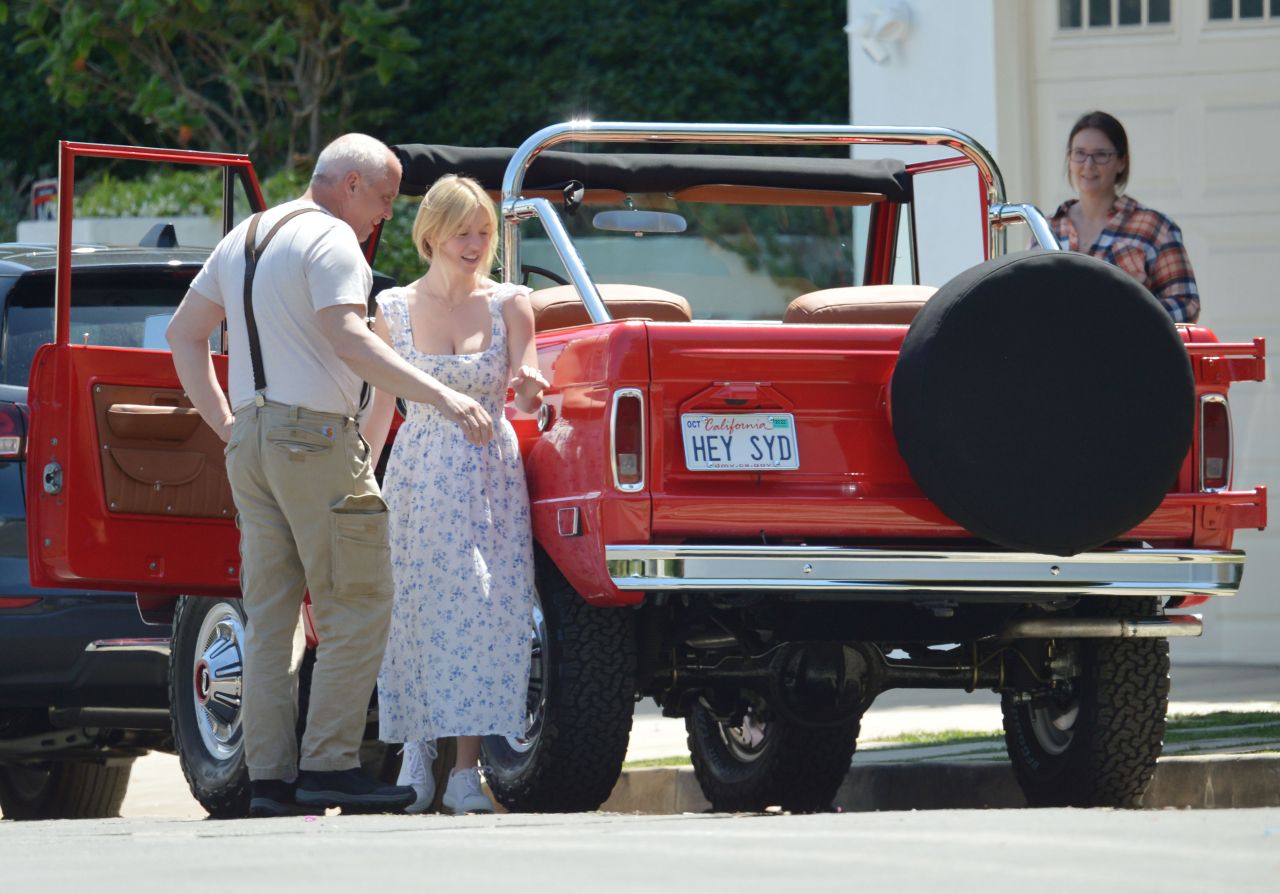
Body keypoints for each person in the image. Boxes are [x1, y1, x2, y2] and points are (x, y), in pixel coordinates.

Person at [166, 134, 496, 818]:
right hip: (314, 438)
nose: (384, 214)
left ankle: (270, 782)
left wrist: (228, 423)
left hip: (251, 443)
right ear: (348, 183)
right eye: (381, 197)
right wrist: (441, 394)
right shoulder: (334, 241)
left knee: (271, 617)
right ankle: (330, 766)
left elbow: (183, 333)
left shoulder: (245, 236)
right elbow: (349, 336)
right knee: (359, 600)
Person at [365, 174, 548, 815]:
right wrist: (357, 477)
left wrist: (529, 382)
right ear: (430, 233)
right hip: (417, 472)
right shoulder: (389, 309)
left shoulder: (511, 303)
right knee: (413, 607)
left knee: (485, 606)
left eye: (483, 232)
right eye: (462, 231)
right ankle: (417, 759)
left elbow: (528, 389)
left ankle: (466, 770)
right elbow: (380, 405)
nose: (474, 243)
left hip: (488, 475)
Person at [1047, 110, 1200, 324]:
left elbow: (1187, 304)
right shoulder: (1047, 227)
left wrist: (1129, 314)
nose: (1088, 165)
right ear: (1069, 158)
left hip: (1129, 354)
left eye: (1101, 155)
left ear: (1121, 162)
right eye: (1079, 153)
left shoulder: (1155, 228)